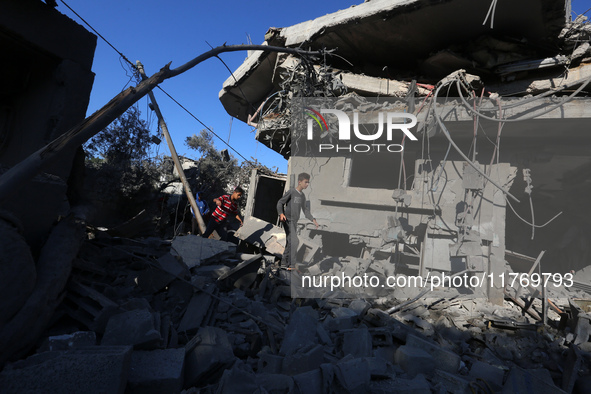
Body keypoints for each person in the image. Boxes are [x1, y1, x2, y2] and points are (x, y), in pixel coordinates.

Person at [276, 172, 319, 268]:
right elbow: (280, 202)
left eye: (308, 182)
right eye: (306, 182)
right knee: (295, 241)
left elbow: (305, 209)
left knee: (290, 242)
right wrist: (281, 213)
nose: (307, 184)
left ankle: (283, 263)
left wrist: (313, 220)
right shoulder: (292, 192)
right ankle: (291, 264)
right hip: (287, 220)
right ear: (300, 182)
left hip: (294, 222)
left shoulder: (302, 196)